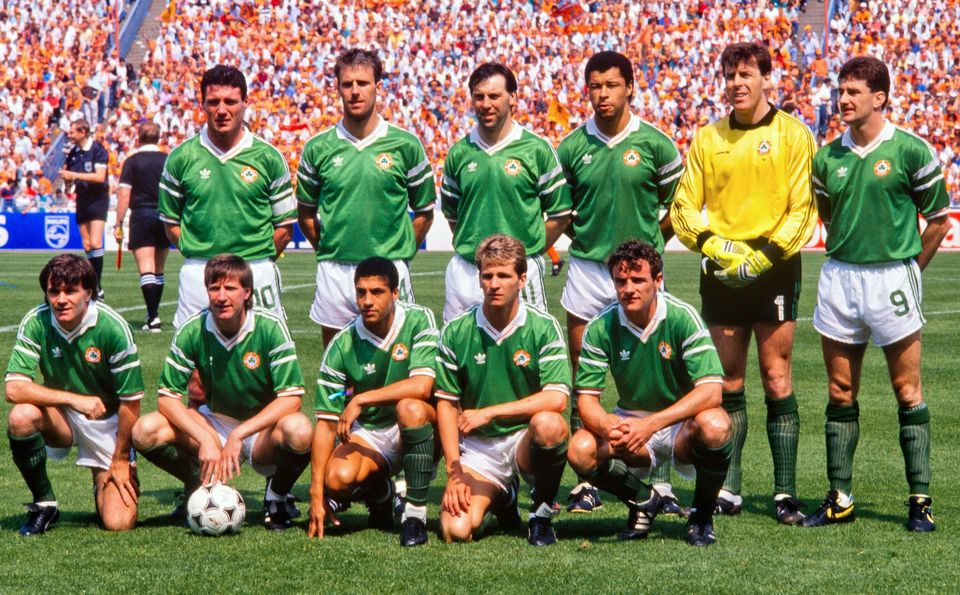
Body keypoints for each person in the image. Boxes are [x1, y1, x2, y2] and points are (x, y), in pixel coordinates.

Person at [670, 42, 817, 525]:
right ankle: (729, 490)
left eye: (746, 74)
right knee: (728, 381)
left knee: (777, 379)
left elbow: (803, 211)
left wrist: (764, 257)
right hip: (722, 267)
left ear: (766, 80)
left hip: (773, 266)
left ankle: (784, 493)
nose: (736, 83)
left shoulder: (794, 134)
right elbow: (684, 208)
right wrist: (716, 246)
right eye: (730, 75)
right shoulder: (708, 138)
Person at [803, 57, 950, 532]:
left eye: (853, 92)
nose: (843, 99)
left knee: (907, 390)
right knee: (839, 390)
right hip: (840, 277)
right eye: (840, 91)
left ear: (879, 97)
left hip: (892, 278)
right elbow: (828, 215)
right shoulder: (827, 159)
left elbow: (939, 220)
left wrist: (911, 270)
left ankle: (919, 499)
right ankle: (841, 497)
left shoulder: (910, 150)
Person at [557, 50, 685, 516]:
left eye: (611, 85)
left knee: (656, 376)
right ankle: (585, 481)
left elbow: (678, 206)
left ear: (630, 87)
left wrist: (648, 251)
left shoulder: (655, 143)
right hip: (589, 271)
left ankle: (662, 481)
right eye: (594, 86)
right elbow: (563, 213)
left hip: (641, 276)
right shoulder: (571, 147)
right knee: (581, 378)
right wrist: (592, 243)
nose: (602, 94)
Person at [567, 240, 732, 546]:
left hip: (680, 426)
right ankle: (644, 501)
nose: (628, 288)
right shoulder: (600, 327)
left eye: (638, 280)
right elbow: (586, 399)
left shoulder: (682, 317)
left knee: (716, 424)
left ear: (658, 281)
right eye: (621, 281)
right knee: (580, 448)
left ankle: (702, 516)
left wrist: (652, 424)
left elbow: (711, 391)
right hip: (631, 424)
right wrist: (608, 426)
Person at [131, 255, 312, 531]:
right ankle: (198, 483)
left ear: (247, 292)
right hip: (214, 421)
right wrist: (205, 438)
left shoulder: (270, 326)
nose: (221, 297)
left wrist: (240, 434)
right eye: (214, 288)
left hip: (260, 429)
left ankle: (276, 495)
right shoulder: (193, 328)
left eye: (230, 288)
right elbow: (167, 397)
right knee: (145, 429)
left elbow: (292, 397)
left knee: (300, 431)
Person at [435, 234, 571, 546]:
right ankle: (504, 496)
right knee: (455, 530)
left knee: (549, 424)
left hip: (526, 438)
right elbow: (445, 403)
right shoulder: (457, 331)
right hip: (481, 449)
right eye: (487, 275)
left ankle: (541, 513)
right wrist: (455, 472)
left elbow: (557, 398)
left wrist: (490, 412)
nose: (494, 284)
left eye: (504, 276)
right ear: (479, 278)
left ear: (522, 279)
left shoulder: (543, 326)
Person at [296, 49, 435, 346]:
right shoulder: (317, 148)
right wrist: (330, 248)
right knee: (337, 365)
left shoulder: (406, 144)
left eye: (363, 83)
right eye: (347, 84)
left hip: (389, 267)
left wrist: (401, 254)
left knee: (397, 362)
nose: (355, 91)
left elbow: (424, 211)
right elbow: (305, 215)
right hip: (334, 271)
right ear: (338, 88)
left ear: (378, 86)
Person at [5, 254, 143, 535]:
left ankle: (103, 475)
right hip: (62, 417)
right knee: (21, 416)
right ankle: (44, 503)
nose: (61, 299)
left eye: (71, 291)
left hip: (107, 421)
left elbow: (132, 402)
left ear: (88, 292)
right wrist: (74, 400)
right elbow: (14, 388)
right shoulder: (36, 321)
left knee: (118, 524)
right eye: (54, 291)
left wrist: (120, 458)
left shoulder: (113, 327)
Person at [307, 257, 439, 546]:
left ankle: (414, 514)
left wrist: (362, 399)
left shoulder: (418, 320)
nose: (367, 300)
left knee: (410, 407)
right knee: (337, 479)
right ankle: (382, 495)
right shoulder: (342, 345)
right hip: (373, 434)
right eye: (361, 292)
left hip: (421, 422)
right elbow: (326, 422)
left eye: (377, 292)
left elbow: (422, 385)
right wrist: (317, 495)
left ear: (395, 293)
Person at [157, 64, 296, 328]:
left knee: (264, 356)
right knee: (194, 360)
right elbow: (170, 222)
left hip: (256, 270)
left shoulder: (269, 157)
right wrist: (199, 254)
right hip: (199, 271)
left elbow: (285, 228)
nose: (222, 110)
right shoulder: (180, 158)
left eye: (230, 101)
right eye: (214, 102)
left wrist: (256, 260)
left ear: (245, 102)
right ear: (203, 104)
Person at [440, 63, 572, 322]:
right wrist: (479, 252)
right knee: (458, 353)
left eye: (494, 96)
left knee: (525, 352)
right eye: (479, 96)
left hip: (519, 274)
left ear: (513, 97)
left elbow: (561, 213)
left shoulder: (537, 149)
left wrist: (524, 256)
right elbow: (453, 214)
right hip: (466, 273)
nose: (486, 104)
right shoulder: (459, 153)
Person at [114, 121, 169, 332]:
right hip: (164, 216)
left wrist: (118, 223)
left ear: (138, 138)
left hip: (142, 215)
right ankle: (152, 315)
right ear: (159, 137)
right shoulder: (168, 159)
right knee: (159, 269)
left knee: (147, 268)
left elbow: (124, 195)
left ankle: (153, 317)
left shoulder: (132, 161)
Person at [61, 119, 109, 299]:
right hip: (82, 199)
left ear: (83, 132)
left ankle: (95, 285)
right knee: (87, 244)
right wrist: (67, 182)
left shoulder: (97, 149)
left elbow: (99, 177)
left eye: (73, 132)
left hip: (98, 199)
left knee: (96, 243)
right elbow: (70, 181)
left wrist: (74, 175)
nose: (70, 135)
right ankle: (96, 285)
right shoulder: (73, 153)